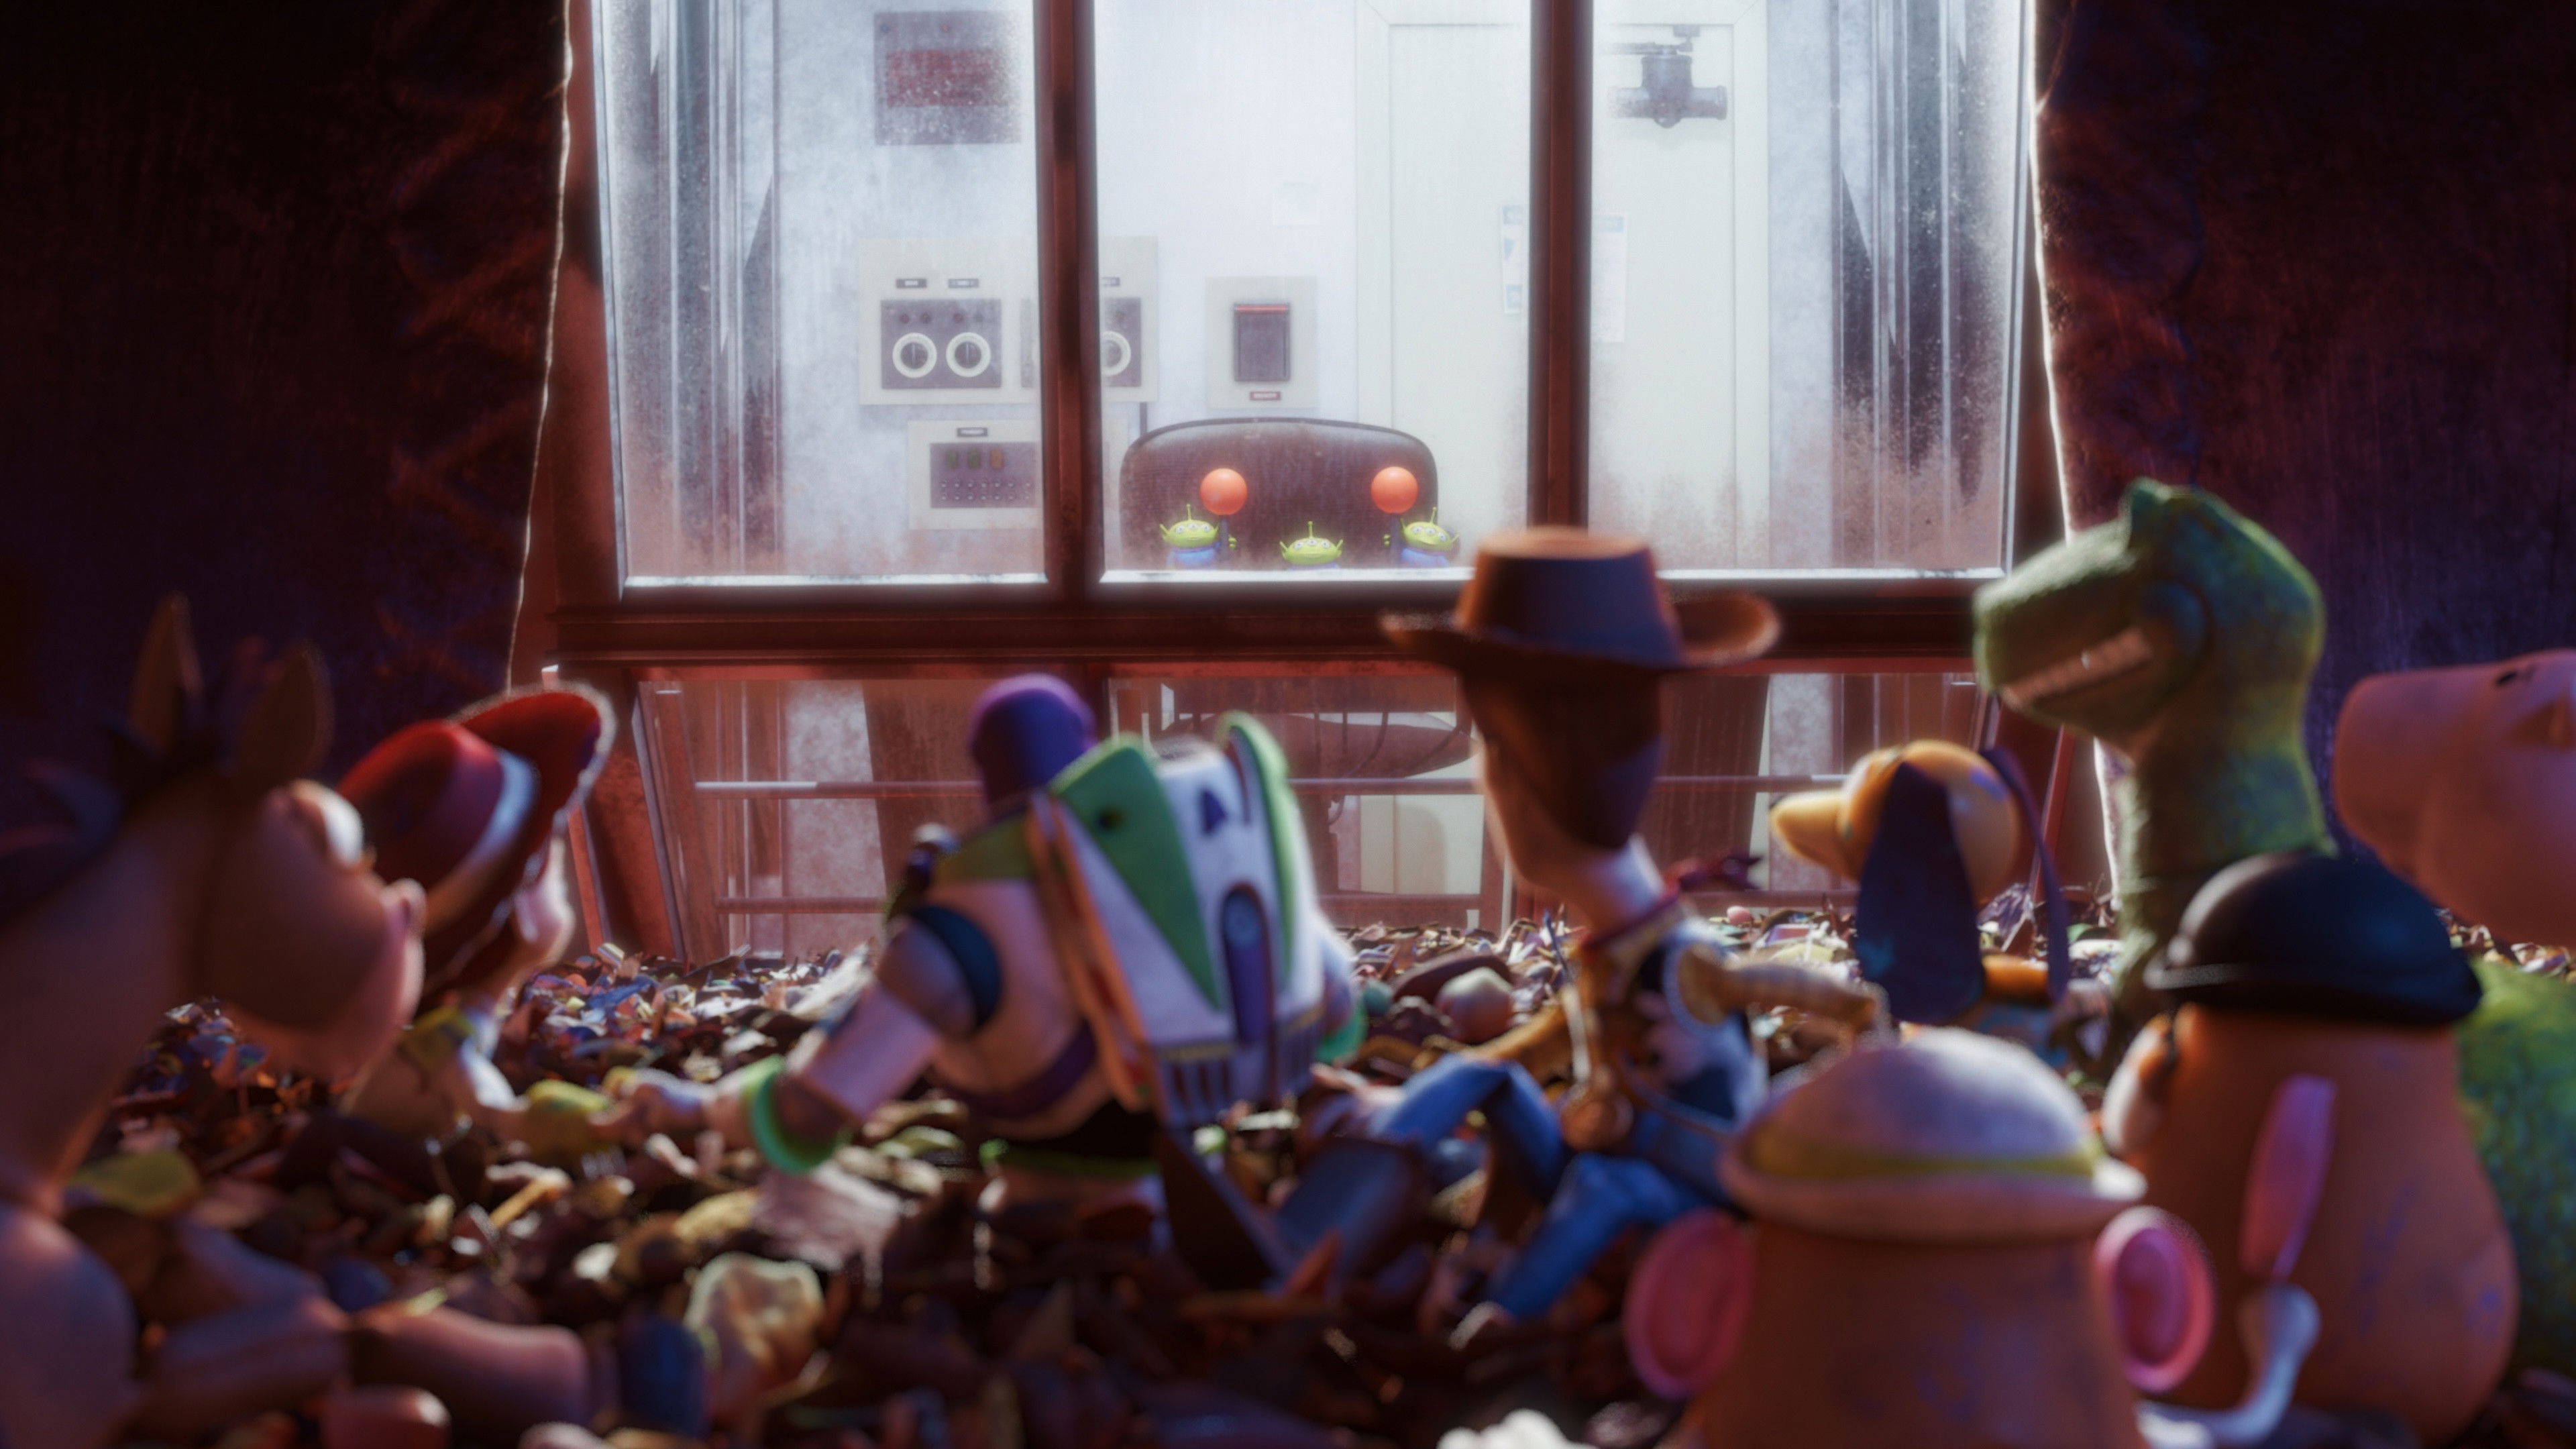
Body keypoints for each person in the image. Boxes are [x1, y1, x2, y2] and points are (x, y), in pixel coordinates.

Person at [1350, 529, 1831, 1338]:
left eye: (1486, 748)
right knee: (1486, 1080)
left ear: (1513, 774)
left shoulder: (1684, 961)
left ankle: (1497, 1323)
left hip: (1684, 1196)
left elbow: (1793, 997)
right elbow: (1537, 1049)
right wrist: (1394, 1107)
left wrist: (1861, 1034)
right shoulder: (1616, 952)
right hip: (1601, 1156)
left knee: (1606, 1188)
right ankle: (1358, 1172)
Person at [332, 684, 612, 1156]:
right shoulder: (445, 1043)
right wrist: (600, 1125)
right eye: (547, 851)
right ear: (523, 913)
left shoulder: (450, 1020)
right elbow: (495, 1111)